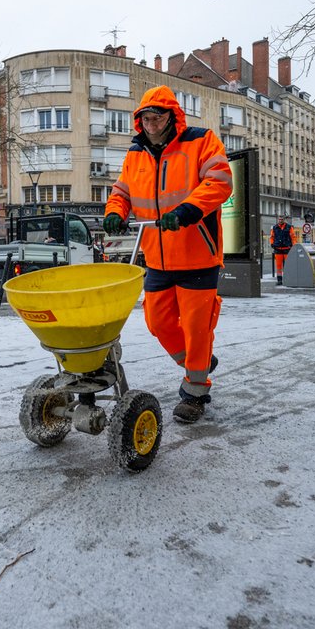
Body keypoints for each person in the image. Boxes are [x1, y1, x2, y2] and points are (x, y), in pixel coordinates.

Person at [102, 85, 233, 423]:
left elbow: (219, 180)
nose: (150, 123)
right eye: (145, 118)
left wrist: (189, 210)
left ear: (171, 116)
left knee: (196, 327)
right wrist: (116, 211)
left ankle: (195, 391)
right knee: (158, 323)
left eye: (156, 116)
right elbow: (122, 190)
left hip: (197, 256)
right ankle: (197, 361)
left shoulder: (201, 141)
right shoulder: (136, 154)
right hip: (157, 257)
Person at [269, 215, 296, 285]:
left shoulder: (289, 227)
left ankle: (288, 279)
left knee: (287, 265)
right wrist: (272, 244)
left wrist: (293, 245)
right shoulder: (274, 228)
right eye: (279, 219)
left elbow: (293, 237)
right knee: (278, 266)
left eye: (281, 219)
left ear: (284, 220)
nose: (280, 221)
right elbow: (272, 237)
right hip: (278, 249)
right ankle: (279, 280)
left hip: (287, 248)